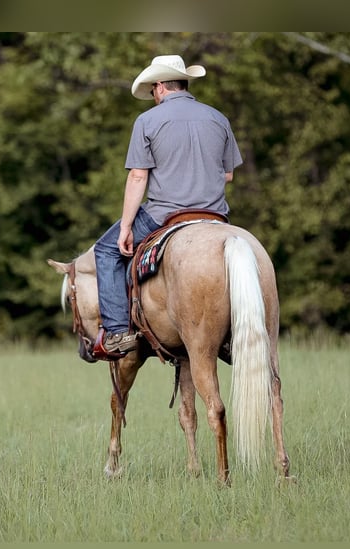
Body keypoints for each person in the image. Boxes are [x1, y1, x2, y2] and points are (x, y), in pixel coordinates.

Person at [92, 54, 243, 359]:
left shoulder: (147, 121)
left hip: (165, 214)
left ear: (160, 87)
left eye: (152, 92)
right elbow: (227, 174)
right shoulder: (218, 118)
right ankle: (229, 335)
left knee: (106, 251)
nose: (153, 97)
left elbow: (137, 176)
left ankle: (119, 332)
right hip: (215, 215)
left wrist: (125, 227)